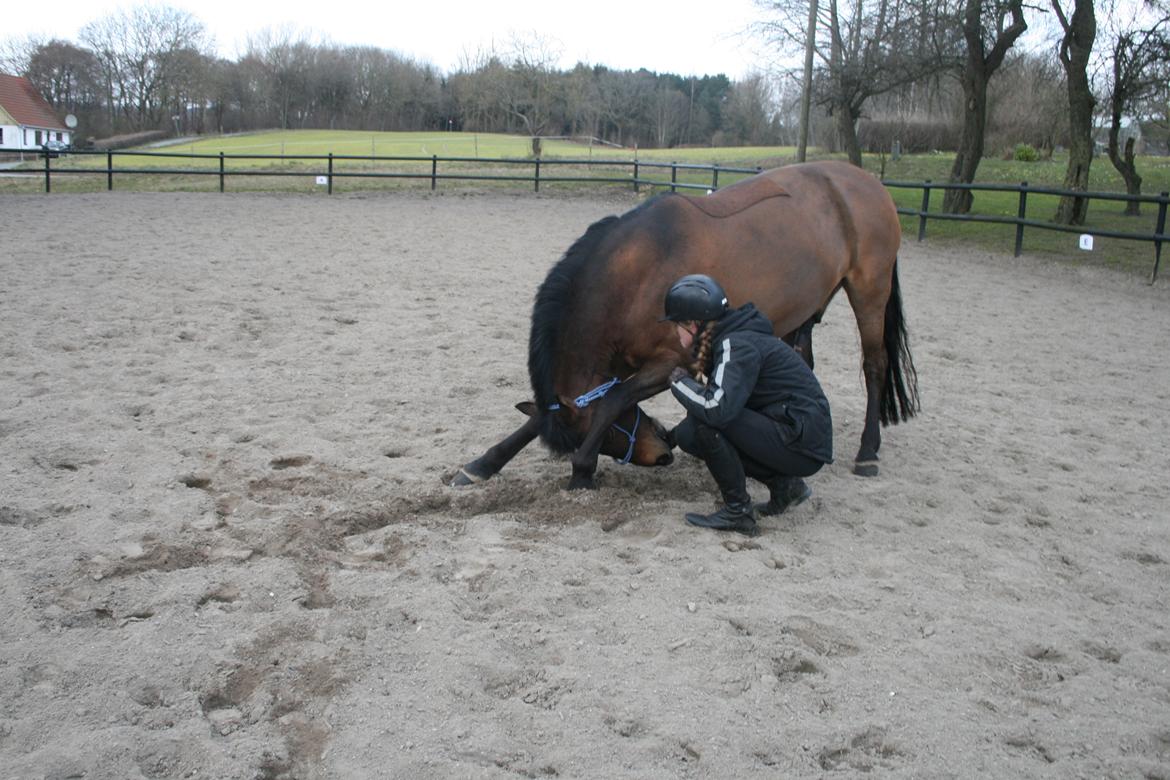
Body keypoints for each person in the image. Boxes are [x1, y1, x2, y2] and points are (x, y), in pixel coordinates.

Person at [663, 274, 833, 536]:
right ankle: (786, 486)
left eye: (677, 326)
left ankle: (738, 511)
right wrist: (674, 436)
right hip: (797, 432)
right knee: (689, 434)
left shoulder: (736, 345)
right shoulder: (734, 338)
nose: (675, 333)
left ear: (693, 326)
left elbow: (716, 410)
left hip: (801, 440)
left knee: (706, 424)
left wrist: (679, 382)